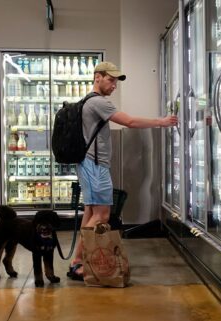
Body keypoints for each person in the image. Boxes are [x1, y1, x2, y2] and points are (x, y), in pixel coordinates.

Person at [67, 61, 178, 280]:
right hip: (95, 166)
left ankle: (77, 261)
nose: (114, 85)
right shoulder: (98, 102)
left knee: (91, 212)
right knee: (102, 215)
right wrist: (161, 122)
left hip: (89, 164)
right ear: (97, 77)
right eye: (110, 80)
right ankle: (81, 263)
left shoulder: (87, 102)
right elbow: (129, 122)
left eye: (115, 81)